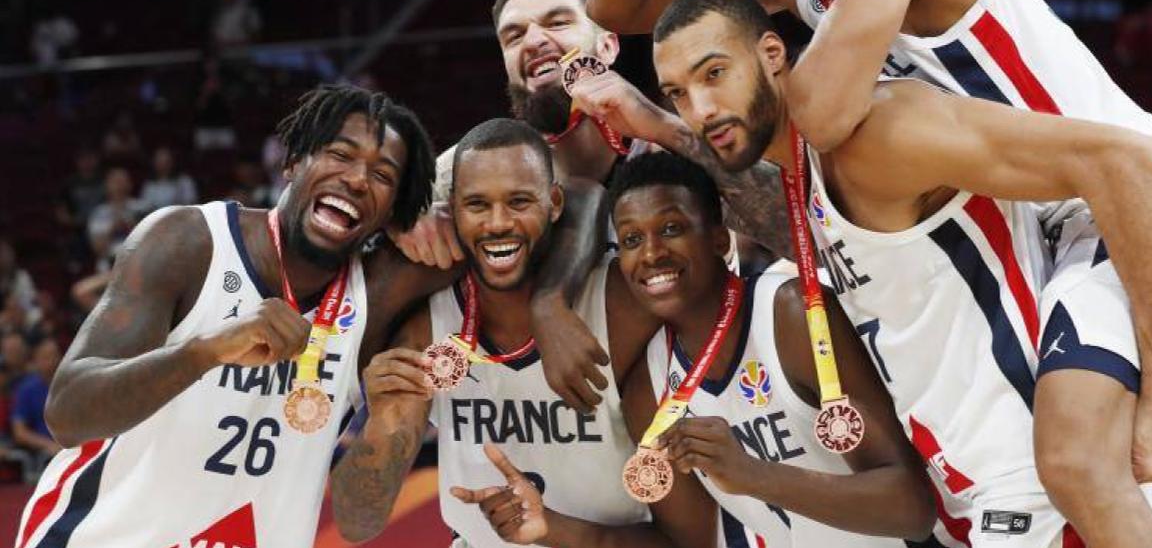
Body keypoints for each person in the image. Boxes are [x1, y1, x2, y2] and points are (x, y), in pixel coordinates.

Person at [588, 0, 1152, 543]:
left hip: (1120, 197)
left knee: (1076, 461)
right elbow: (621, 5)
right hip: (1040, 212)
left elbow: (820, 116)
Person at [637, 0, 1152, 546]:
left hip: (1044, 483)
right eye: (678, 93)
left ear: (771, 54)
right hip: (975, 493)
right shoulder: (805, 175)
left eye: (714, 74)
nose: (701, 109)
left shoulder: (878, 132)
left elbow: (1130, 161)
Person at [16, 85, 441, 548]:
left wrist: (437, 200)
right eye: (340, 154)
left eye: (383, 175)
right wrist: (206, 351)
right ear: (293, 161)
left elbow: (497, 195)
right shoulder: (189, 242)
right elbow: (67, 414)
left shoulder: (376, 297)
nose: (358, 179)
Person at [394, 0, 794, 414]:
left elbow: (808, 233)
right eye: (514, 36)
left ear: (607, 45)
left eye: (558, 22)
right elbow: (375, 209)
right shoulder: (472, 173)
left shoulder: (680, 147)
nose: (534, 41)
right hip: (554, 432)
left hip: (705, 413)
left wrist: (665, 128)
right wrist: (405, 215)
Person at [331, 119, 713, 548]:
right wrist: (380, 422)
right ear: (451, 208)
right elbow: (356, 522)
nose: (498, 223)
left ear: (553, 203)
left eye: (518, 202)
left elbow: (691, 541)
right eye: (477, 204)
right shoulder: (427, 331)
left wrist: (552, 527)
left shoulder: (622, 309)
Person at [609, 152, 932, 545]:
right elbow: (689, 541)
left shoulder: (793, 316)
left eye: (672, 228)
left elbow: (911, 509)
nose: (651, 253)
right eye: (631, 239)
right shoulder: (648, 388)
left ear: (718, 238)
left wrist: (752, 475)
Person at [10, 339, 62, 464]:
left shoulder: (72, 385)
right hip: (44, 454)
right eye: (46, 357)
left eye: (56, 355)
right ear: (35, 362)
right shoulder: (26, 390)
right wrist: (48, 445)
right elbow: (19, 433)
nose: (53, 361)